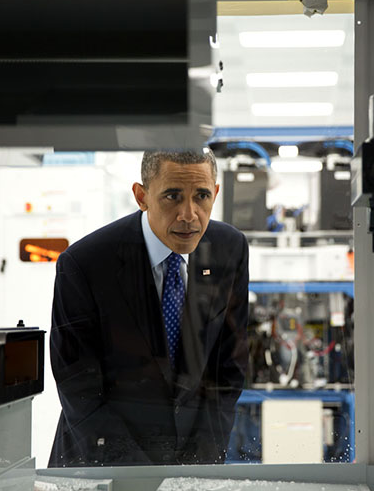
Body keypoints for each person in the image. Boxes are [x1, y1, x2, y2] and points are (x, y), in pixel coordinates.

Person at [48, 149, 249, 466]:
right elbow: (78, 385)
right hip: (100, 466)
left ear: (216, 193)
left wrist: (200, 463)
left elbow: (228, 368)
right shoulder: (86, 263)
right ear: (141, 196)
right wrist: (139, 477)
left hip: (191, 467)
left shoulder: (229, 248)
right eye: (172, 196)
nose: (189, 214)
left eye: (201, 196)